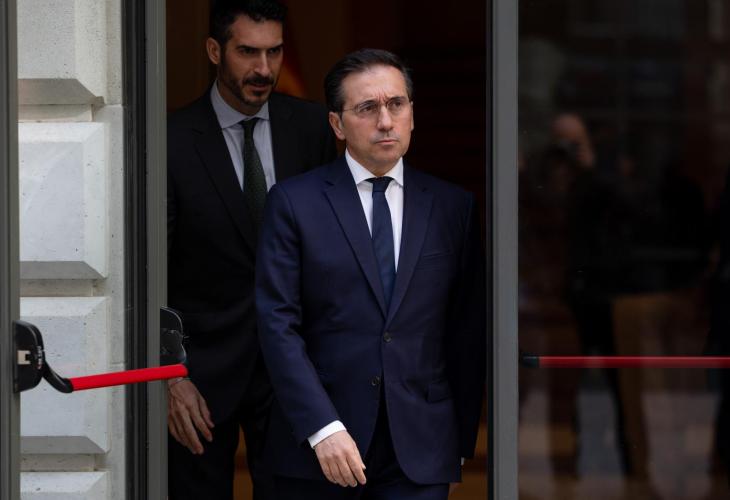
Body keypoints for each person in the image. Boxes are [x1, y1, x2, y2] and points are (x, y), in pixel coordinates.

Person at [256, 48, 486, 499]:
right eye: (367, 108)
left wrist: (456, 440)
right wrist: (322, 427)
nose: (385, 121)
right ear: (337, 124)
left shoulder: (452, 207)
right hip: (320, 446)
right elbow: (277, 324)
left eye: (396, 104)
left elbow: (465, 329)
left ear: (412, 113)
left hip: (420, 448)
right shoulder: (293, 203)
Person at [166, 0, 337, 498]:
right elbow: (149, 268)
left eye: (274, 52)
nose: (264, 69)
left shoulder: (313, 128)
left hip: (294, 371)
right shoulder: (170, 139)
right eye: (247, 52)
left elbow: (331, 249)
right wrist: (169, 375)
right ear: (214, 51)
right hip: (201, 375)